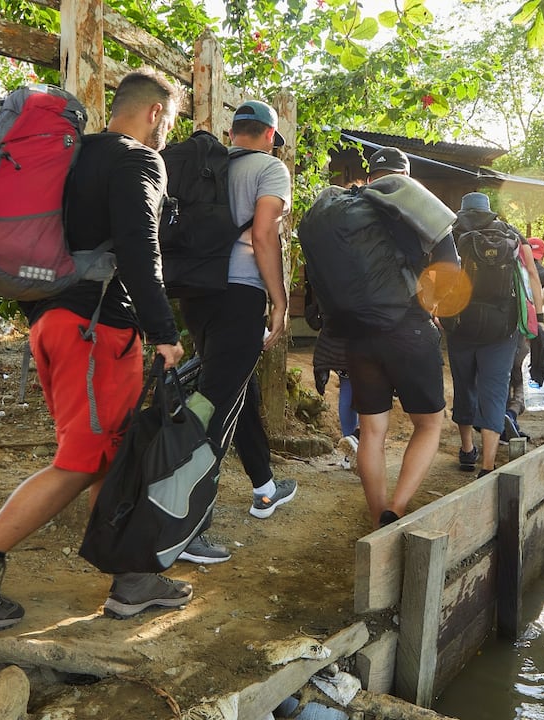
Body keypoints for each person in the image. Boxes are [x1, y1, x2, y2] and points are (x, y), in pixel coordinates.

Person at [0, 71, 190, 630]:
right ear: (155, 113)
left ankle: (132, 579)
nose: (167, 130)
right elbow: (139, 248)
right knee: (82, 462)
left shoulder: (71, 156)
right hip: (97, 331)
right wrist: (164, 332)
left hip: (54, 324)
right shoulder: (138, 160)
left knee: (109, 454)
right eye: (170, 119)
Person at [174, 100, 297, 563]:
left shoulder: (206, 167)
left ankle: (264, 486)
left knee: (231, 390)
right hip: (240, 296)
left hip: (196, 294)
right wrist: (279, 300)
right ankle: (184, 526)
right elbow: (264, 235)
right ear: (269, 135)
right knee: (215, 407)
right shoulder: (270, 168)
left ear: (232, 132)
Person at [346, 147, 460, 527]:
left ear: (371, 177)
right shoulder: (420, 206)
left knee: (371, 430)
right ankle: (396, 508)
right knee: (428, 424)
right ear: (406, 177)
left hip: (360, 332)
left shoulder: (349, 207)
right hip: (410, 327)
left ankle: (376, 515)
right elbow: (450, 266)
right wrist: (431, 302)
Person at [446, 192, 542, 478]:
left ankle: (467, 450)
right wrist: (538, 319)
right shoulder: (511, 234)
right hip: (502, 328)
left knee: (464, 385)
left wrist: (438, 315)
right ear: (489, 210)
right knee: (495, 390)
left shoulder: (450, 233)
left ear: (463, 210)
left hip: (460, 325)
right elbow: (532, 276)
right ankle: (488, 464)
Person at [503, 237, 544, 442]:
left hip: (501, 332)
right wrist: (532, 302)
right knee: (523, 379)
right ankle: (511, 414)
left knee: (504, 377)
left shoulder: (509, 264)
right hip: (524, 334)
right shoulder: (536, 269)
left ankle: (501, 423)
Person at [305, 283, 360, 470]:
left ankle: (350, 452)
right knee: (369, 391)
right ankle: (362, 446)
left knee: (347, 386)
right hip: (366, 332)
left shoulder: (329, 270)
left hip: (337, 337)